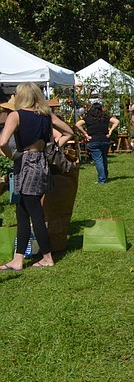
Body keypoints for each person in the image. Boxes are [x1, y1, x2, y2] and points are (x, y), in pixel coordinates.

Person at [0, 83, 74, 270]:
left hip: (26, 164)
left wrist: (13, 156)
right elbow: (69, 132)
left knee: (34, 211)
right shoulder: (46, 115)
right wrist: (54, 145)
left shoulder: (15, 115)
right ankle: (18, 259)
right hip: (41, 162)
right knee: (22, 211)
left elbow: (2, 142)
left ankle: (47, 257)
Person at [75, 102, 119, 184]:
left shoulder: (88, 118)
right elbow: (116, 121)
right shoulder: (105, 117)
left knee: (98, 160)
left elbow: (77, 124)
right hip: (105, 140)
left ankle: (102, 179)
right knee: (104, 159)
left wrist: (85, 134)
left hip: (93, 140)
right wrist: (110, 131)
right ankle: (105, 176)